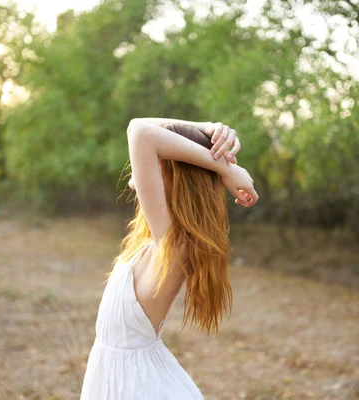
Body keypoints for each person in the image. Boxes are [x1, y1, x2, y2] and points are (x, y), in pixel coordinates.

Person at [80, 118, 259, 399]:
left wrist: (224, 168)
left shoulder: (175, 242)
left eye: (160, 161)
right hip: (126, 377)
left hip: (137, 386)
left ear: (175, 179)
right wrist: (207, 127)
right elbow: (140, 129)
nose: (145, 166)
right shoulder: (158, 236)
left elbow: (139, 132)